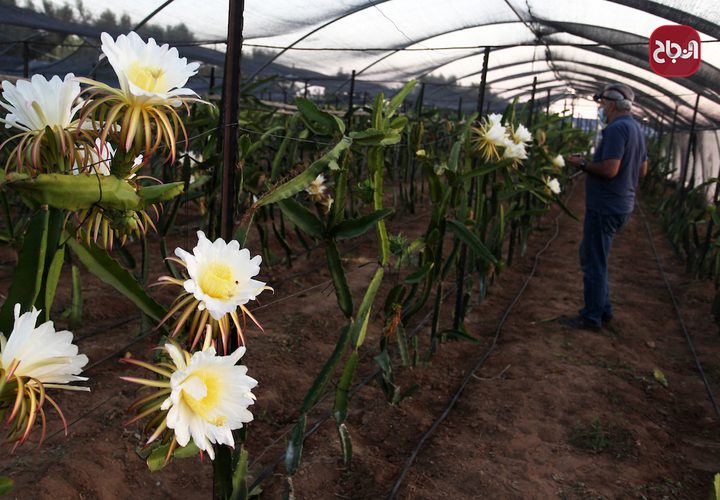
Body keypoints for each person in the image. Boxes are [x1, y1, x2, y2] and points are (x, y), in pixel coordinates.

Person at [562, 83, 648, 331]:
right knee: (594, 256)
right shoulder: (636, 129)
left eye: (602, 104)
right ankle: (604, 309)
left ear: (611, 104)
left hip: (605, 207)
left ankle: (591, 317)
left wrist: (583, 164)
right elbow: (643, 170)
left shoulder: (616, 129)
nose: (601, 109)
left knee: (593, 261)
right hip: (623, 204)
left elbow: (610, 170)